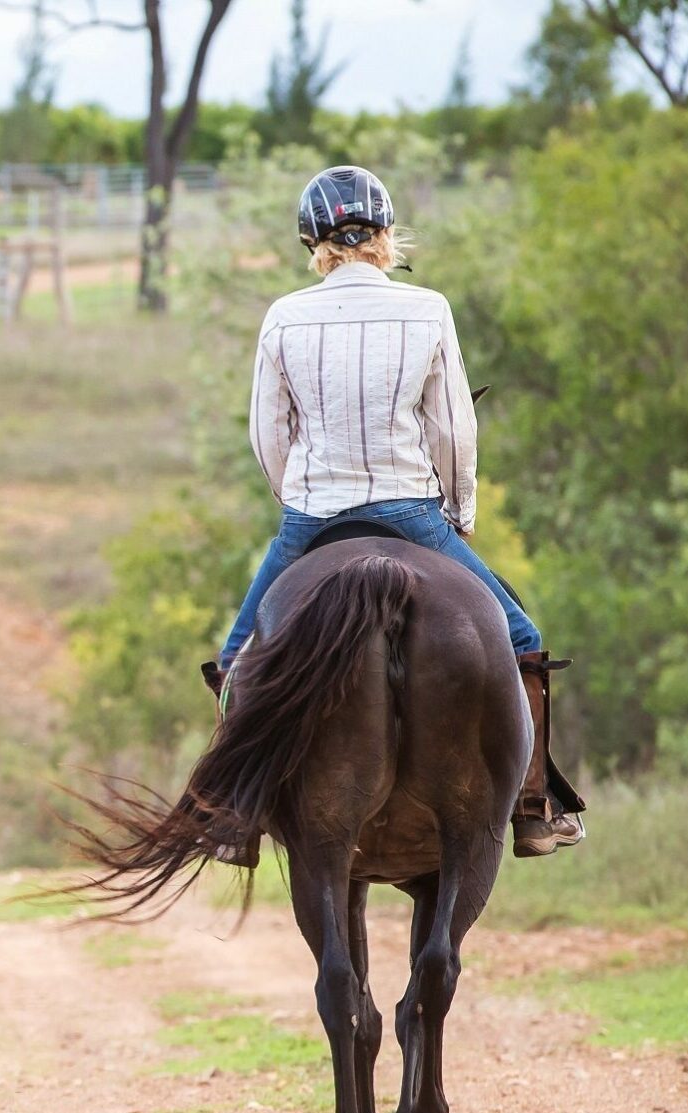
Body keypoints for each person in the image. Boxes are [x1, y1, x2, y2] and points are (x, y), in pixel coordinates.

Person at [213, 165, 584, 858]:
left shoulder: (284, 316)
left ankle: (235, 817)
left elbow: (268, 435)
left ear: (314, 245)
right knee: (523, 638)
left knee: (237, 657)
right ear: (384, 238)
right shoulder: (427, 308)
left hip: (313, 519)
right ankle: (534, 809)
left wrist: (297, 501)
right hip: (412, 514)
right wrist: (459, 512)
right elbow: (452, 429)